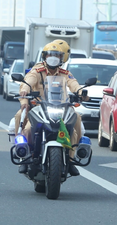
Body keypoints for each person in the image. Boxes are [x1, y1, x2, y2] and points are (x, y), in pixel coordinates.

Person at [15, 40, 88, 176]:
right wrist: (25, 91)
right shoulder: (37, 70)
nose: (52, 58)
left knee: (76, 117)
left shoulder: (65, 73)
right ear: (44, 56)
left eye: (56, 55)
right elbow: (28, 81)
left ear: (62, 58)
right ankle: (24, 156)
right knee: (24, 120)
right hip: (38, 108)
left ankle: (72, 158)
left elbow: (73, 84)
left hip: (61, 109)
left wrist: (80, 92)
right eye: (49, 55)